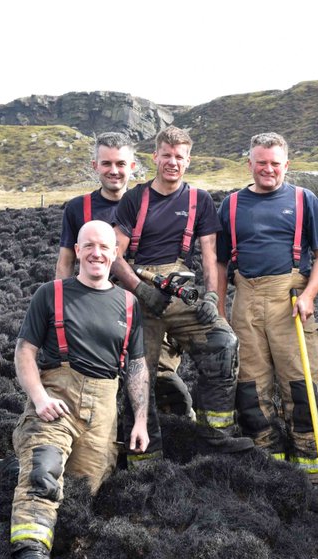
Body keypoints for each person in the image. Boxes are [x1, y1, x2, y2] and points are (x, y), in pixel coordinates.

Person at [10, 220, 148, 559]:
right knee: (44, 469)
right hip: (57, 398)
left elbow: (136, 366)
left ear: (115, 253)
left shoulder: (129, 304)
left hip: (103, 411)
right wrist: (39, 399)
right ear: (78, 250)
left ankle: (65, 554)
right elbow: (25, 352)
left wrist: (140, 421)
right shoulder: (50, 294)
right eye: (88, 246)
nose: (96, 253)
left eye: (104, 247)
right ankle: (31, 556)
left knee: (80, 494)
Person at [110, 125, 253, 461]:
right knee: (137, 371)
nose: (172, 162)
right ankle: (145, 452)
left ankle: (215, 436)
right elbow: (114, 255)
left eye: (179, 156)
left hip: (182, 291)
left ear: (188, 160)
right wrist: (140, 291)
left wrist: (211, 299)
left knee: (224, 344)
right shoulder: (135, 199)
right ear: (155, 157)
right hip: (139, 293)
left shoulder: (199, 200)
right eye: (166, 155)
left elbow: (210, 256)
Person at [216, 132, 318, 489]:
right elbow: (220, 264)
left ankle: (312, 474)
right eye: (261, 163)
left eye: (275, 164)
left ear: (287, 165)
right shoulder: (231, 205)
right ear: (250, 164)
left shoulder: (304, 199)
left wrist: (311, 294)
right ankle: (272, 468)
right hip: (246, 301)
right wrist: (220, 310)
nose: (268, 170)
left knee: (301, 390)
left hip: (291, 301)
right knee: (251, 390)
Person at [56, 131, 192, 421]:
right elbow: (65, 261)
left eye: (120, 163)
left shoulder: (155, 201)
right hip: (94, 307)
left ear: (133, 166)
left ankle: (164, 437)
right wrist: (61, 308)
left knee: (158, 380)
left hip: (149, 306)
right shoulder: (78, 208)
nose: (114, 171)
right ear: (95, 166)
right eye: (106, 163)